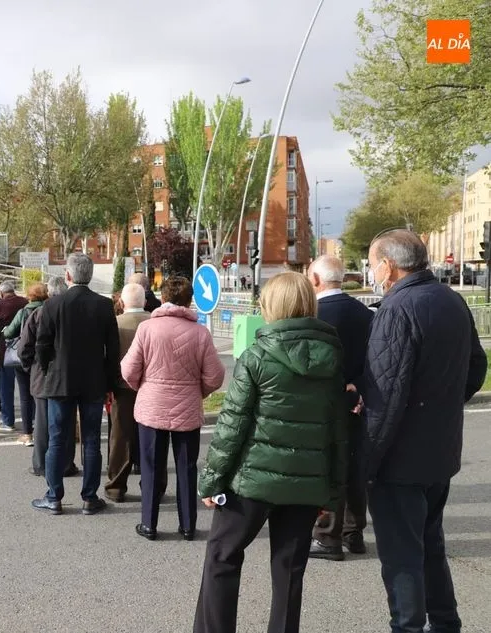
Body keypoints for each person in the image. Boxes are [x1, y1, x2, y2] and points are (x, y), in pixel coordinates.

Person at [193, 272, 348, 633]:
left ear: (271, 307)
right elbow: (339, 433)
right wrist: (334, 491)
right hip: (308, 484)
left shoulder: (256, 356)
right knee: (290, 570)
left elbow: (232, 427)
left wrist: (210, 481)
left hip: (252, 480)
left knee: (222, 557)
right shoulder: (332, 360)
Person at [363, 230, 486, 633]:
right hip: (439, 451)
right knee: (430, 547)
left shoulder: (397, 308)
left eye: (372, 262)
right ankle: (447, 623)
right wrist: (442, 407)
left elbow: (385, 395)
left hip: (400, 461)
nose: (372, 270)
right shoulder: (451, 299)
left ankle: (409, 627)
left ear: (388, 266)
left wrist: (365, 462)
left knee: (402, 557)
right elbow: (476, 368)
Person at [122, 277, 225, 540]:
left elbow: (129, 369)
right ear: (189, 300)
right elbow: (215, 376)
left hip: (152, 407)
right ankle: (188, 525)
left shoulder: (147, 329)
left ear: (162, 297)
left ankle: (149, 524)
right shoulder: (200, 333)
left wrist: (143, 388)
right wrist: (196, 391)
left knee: (151, 467)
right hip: (187, 410)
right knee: (187, 467)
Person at [32, 253, 120, 516]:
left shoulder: (52, 305)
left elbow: (42, 346)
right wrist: (110, 381)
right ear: (89, 275)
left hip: (59, 382)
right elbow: (112, 350)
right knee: (92, 439)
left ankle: (54, 496)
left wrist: (48, 370)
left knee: (57, 439)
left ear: (68, 275)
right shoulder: (104, 305)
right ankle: (89, 497)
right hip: (93, 382)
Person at [306, 255, 374, 562]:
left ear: (317, 280)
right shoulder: (365, 313)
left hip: (322, 407)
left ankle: (327, 535)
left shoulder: (313, 314)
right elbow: (378, 358)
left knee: (329, 470)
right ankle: (353, 532)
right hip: (357, 402)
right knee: (354, 467)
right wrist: (358, 386)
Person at [19, 277, 79, 477]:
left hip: (43, 376)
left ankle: (42, 465)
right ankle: (66, 464)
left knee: (43, 424)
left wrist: (31, 368)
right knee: (67, 422)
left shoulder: (38, 313)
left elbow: (24, 348)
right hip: (69, 375)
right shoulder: (74, 314)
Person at [104, 283, 152, 503]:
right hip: (152, 388)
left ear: (121, 302)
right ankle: (153, 487)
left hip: (122, 388)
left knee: (120, 437)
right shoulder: (155, 322)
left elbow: (107, 358)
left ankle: (116, 487)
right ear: (145, 302)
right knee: (152, 439)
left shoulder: (115, 323)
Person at [3, 282, 47, 445]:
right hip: (44, 358)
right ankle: (41, 431)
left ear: (30, 295)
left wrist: (5, 329)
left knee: (25, 396)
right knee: (41, 395)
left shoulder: (24, 312)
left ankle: (27, 433)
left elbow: (9, 332)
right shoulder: (49, 309)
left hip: (25, 357)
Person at [0, 280, 28, 433]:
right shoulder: (25, 302)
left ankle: (8, 421)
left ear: (2, 293)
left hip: (7, 352)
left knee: (6, 388)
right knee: (27, 389)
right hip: (26, 351)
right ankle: (32, 419)